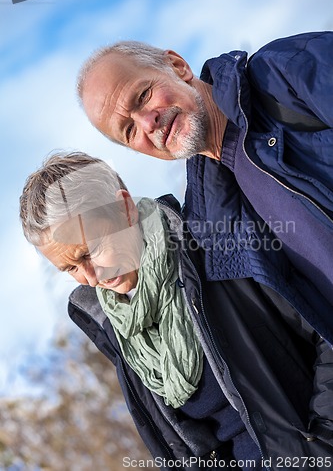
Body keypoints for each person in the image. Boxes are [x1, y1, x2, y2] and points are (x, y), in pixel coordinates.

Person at [20, 152, 333, 469]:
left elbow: (325, 328)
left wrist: (322, 445)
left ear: (125, 208)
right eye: (70, 268)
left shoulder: (216, 245)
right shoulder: (117, 328)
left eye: (91, 251)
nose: (90, 277)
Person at [76, 32, 333, 347]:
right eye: (129, 130)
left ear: (177, 66)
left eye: (142, 96)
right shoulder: (212, 228)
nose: (148, 123)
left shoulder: (286, 72)